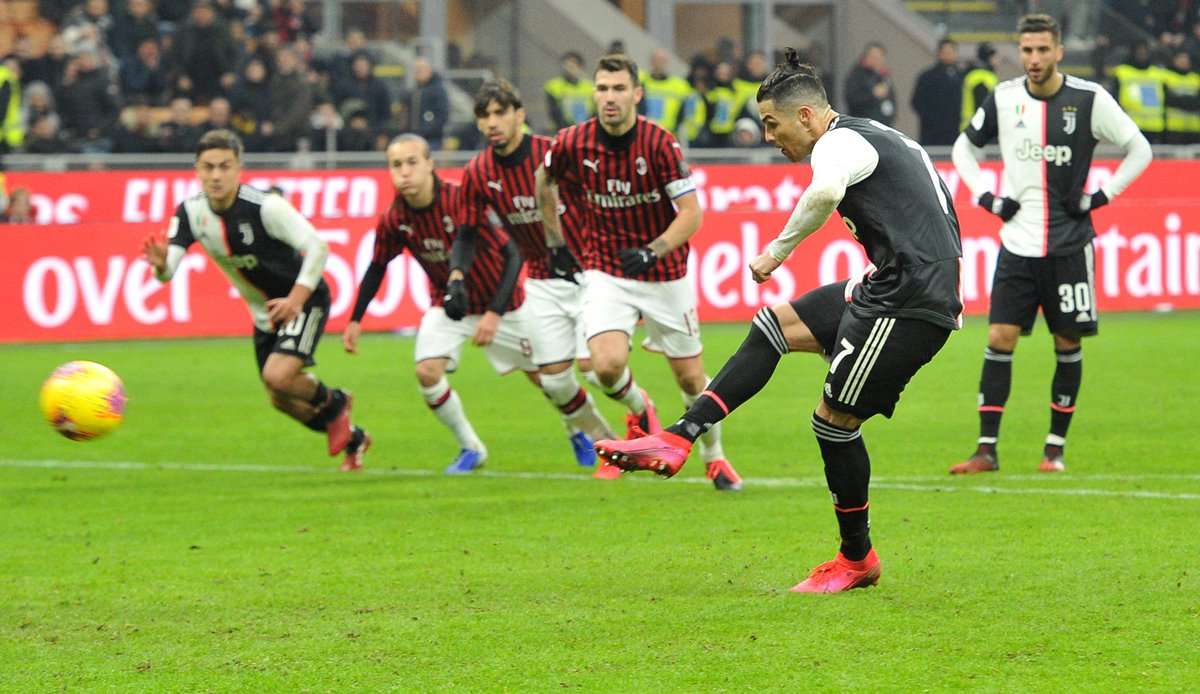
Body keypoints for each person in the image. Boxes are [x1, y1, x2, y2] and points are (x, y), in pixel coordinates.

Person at [595, 50, 964, 593]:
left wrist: (776, 252)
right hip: (897, 280)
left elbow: (825, 192)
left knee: (832, 422)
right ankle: (679, 436)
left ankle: (856, 558)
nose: (769, 136)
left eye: (773, 123)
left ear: (808, 117)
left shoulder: (838, 143)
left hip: (911, 297)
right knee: (774, 325)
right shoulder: (872, 134)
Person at [949, 14, 1152, 474]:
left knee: (1066, 341)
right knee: (999, 338)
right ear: (1019, 53)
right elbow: (964, 148)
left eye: (1043, 50)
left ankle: (1054, 450)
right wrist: (985, 196)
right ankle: (986, 451)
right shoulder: (1003, 98)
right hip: (1017, 245)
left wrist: (1100, 196)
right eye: (1027, 50)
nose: (1034, 59)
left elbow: (1139, 149)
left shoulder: (1089, 99)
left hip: (1068, 245)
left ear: (1058, 51)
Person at [536, 54, 742, 490]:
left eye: (618, 89)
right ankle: (639, 404)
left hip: (664, 272)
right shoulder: (572, 141)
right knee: (605, 367)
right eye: (602, 89)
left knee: (690, 378)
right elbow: (544, 179)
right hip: (607, 270)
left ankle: (714, 455)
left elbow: (691, 213)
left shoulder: (659, 144)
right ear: (594, 93)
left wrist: (654, 250)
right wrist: (555, 242)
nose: (609, 97)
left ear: (636, 94)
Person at [142, 130, 371, 471]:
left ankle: (337, 402)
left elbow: (318, 248)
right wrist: (161, 265)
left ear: (239, 169)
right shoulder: (190, 213)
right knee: (280, 398)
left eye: (224, 166)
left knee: (277, 376)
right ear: (197, 170)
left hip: (304, 300)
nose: (216, 175)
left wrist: (296, 299)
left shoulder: (266, 207)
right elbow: (168, 271)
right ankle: (354, 437)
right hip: (264, 314)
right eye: (208, 167)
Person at [343, 134, 527, 475]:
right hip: (450, 306)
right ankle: (471, 447)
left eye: (412, 162)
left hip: (504, 305)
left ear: (430, 164)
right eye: (396, 165)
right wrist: (356, 318)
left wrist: (495, 312)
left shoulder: (462, 200)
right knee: (427, 372)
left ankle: (579, 431)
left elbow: (513, 252)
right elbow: (377, 266)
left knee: (551, 380)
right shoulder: (395, 217)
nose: (404, 172)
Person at [461, 79, 616, 473]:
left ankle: (639, 411)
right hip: (543, 280)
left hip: (590, 272)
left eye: (500, 113)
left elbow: (599, 199)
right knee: (555, 382)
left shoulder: (554, 154)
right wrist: (457, 276)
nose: (492, 122)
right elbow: (466, 233)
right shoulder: (478, 172)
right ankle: (608, 444)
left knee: (594, 367)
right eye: (484, 116)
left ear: (519, 115)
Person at [911, 38, 962, 146]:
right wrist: (931, 119)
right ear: (939, 54)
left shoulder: (962, 76)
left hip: (957, 131)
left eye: (951, 52)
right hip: (932, 134)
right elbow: (916, 102)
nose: (948, 55)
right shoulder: (927, 77)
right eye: (945, 52)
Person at [844, 42, 896, 126]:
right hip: (862, 125)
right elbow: (852, 99)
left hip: (883, 126)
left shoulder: (884, 76)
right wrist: (873, 95)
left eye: (879, 57)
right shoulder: (857, 75)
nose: (876, 61)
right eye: (873, 57)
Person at [543, 51, 593, 131]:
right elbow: (553, 112)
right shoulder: (553, 86)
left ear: (580, 67)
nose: (569, 69)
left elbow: (594, 112)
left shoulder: (590, 87)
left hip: (586, 131)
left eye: (573, 66)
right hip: (562, 131)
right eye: (567, 66)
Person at [411, 58, 449, 149]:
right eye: (416, 70)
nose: (418, 72)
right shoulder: (415, 91)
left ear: (429, 70)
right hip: (415, 137)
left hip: (432, 139)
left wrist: (427, 130)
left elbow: (442, 114)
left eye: (421, 69)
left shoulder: (438, 90)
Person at [960, 43, 999, 132]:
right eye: (995, 57)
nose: (997, 60)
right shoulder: (982, 77)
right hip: (978, 130)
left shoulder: (975, 74)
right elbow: (982, 106)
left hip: (972, 127)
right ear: (989, 58)